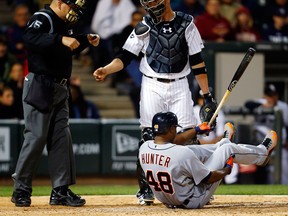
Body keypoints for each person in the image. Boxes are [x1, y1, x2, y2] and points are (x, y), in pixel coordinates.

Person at [93, 0, 217, 205]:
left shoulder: (187, 23)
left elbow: (197, 62)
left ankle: (197, 187)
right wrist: (106, 69)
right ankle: (145, 190)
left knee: (189, 136)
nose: (150, 4)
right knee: (148, 137)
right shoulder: (144, 25)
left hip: (179, 84)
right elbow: (124, 57)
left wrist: (207, 96)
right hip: (152, 84)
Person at [11, 0, 100, 207]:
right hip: (40, 84)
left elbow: (63, 49)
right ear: (59, 2)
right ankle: (21, 189)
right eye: (71, 6)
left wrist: (84, 40)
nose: (74, 12)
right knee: (36, 137)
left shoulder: (62, 24)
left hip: (60, 87)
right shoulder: (43, 18)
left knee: (61, 137)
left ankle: (60, 190)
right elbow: (31, 39)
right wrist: (61, 39)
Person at [139, 111, 278, 209]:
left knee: (194, 151)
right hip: (193, 199)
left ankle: (222, 143)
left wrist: (197, 130)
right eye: (174, 128)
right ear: (169, 129)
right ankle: (263, 154)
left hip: (167, 199)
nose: (176, 130)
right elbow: (209, 178)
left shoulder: (144, 148)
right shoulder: (181, 153)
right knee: (227, 150)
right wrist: (226, 170)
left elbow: (173, 142)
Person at [245, 83, 288, 184]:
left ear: (276, 96)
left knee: (283, 172)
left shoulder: (283, 106)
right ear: (265, 95)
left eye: (272, 95)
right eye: (268, 95)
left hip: (280, 146)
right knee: (262, 174)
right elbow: (248, 104)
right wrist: (262, 105)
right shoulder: (260, 102)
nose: (271, 98)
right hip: (262, 145)